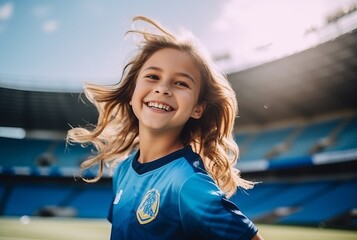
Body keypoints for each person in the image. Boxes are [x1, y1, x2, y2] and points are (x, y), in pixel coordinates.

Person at [67, 16, 264, 240]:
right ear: (132, 93)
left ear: (197, 108)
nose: (163, 88)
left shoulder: (188, 182)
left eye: (181, 83)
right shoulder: (122, 171)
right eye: (152, 76)